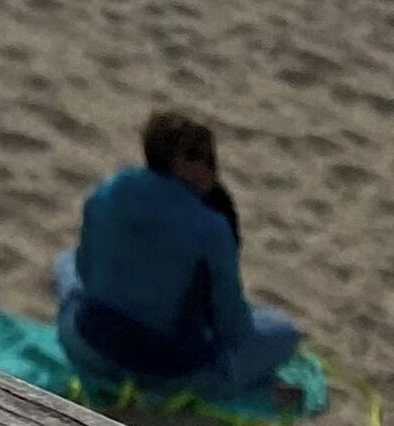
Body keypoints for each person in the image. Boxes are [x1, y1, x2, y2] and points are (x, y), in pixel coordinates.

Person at [53, 112, 302, 400]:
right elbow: (231, 327)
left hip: (88, 348)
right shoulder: (211, 227)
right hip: (165, 372)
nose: (214, 171)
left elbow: (86, 271)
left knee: (65, 263)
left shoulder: (108, 192)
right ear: (186, 165)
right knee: (283, 332)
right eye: (209, 161)